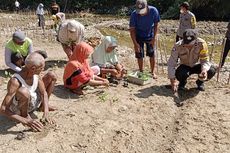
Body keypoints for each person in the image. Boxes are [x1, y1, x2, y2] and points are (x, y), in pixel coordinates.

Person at [0, 52, 57, 132]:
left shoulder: (36, 75)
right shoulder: (15, 81)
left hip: (32, 102)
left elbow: (43, 93)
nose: (43, 70)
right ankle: (25, 115)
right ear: (33, 68)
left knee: (51, 75)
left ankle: (42, 107)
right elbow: (3, 109)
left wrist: (46, 112)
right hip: (19, 108)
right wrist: (26, 121)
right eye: (41, 68)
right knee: (24, 91)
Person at [129, 0, 160, 79]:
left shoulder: (154, 11)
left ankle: (152, 72)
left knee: (151, 54)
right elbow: (132, 30)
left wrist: (154, 38)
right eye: (139, 11)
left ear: (146, 7)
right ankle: (141, 71)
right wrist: (135, 44)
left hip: (150, 34)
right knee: (139, 54)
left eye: (142, 11)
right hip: (138, 35)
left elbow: (156, 25)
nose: (141, 13)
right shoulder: (134, 14)